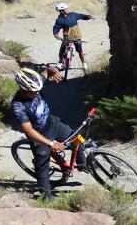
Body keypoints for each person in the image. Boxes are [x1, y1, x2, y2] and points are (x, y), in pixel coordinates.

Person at [10, 66, 87, 199]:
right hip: (38, 135)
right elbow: (28, 130)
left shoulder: (35, 83)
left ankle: (82, 164)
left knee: (77, 138)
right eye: (34, 92)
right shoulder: (18, 106)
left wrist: (54, 71)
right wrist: (51, 143)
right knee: (42, 164)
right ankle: (46, 195)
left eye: (39, 90)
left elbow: (48, 70)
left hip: (52, 123)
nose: (38, 94)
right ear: (24, 90)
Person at [53, 2, 93, 73]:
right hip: (67, 38)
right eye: (66, 9)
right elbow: (56, 27)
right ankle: (60, 62)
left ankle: (84, 63)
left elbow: (81, 16)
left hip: (77, 36)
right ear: (62, 11)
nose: (67, 9)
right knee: (62, 50)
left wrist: (88, 17)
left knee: (80, 51)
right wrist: (55, 34)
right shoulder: (59, 20)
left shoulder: (73, 15)